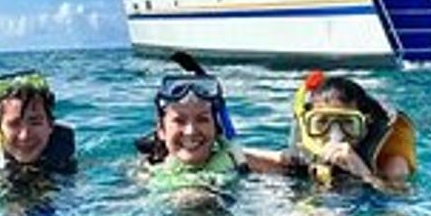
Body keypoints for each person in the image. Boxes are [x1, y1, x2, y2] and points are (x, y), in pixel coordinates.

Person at [135, 58, 288, 196]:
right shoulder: (146, 173)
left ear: (216, 128)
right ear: (161, 130)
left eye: (202, 119)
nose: (190, 131)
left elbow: (287, 166)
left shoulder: (238, 159)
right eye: (179, 121)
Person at [282, 70, 416, 191]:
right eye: (322, 122)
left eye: (348, 122)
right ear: (308, 124)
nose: (335, 134)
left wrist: (364, 174)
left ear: (365, 124)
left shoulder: (391, 164)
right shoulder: (299, 156)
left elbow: (400, 199)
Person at [0, 70, 78, 183]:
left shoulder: (63, 152)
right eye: (14, 124)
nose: (24, 136)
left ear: (50, 125)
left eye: (35, 122)